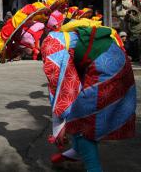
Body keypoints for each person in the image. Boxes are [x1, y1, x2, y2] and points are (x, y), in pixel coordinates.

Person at [41, 22, 136, 171]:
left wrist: (60, 123)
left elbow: (61, 87)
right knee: (81, 116)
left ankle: (94, 168)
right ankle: (75, 152)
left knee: (81, 120)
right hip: (117, 60)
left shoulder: (50, 45)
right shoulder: (62, 37)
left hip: (105, 68)